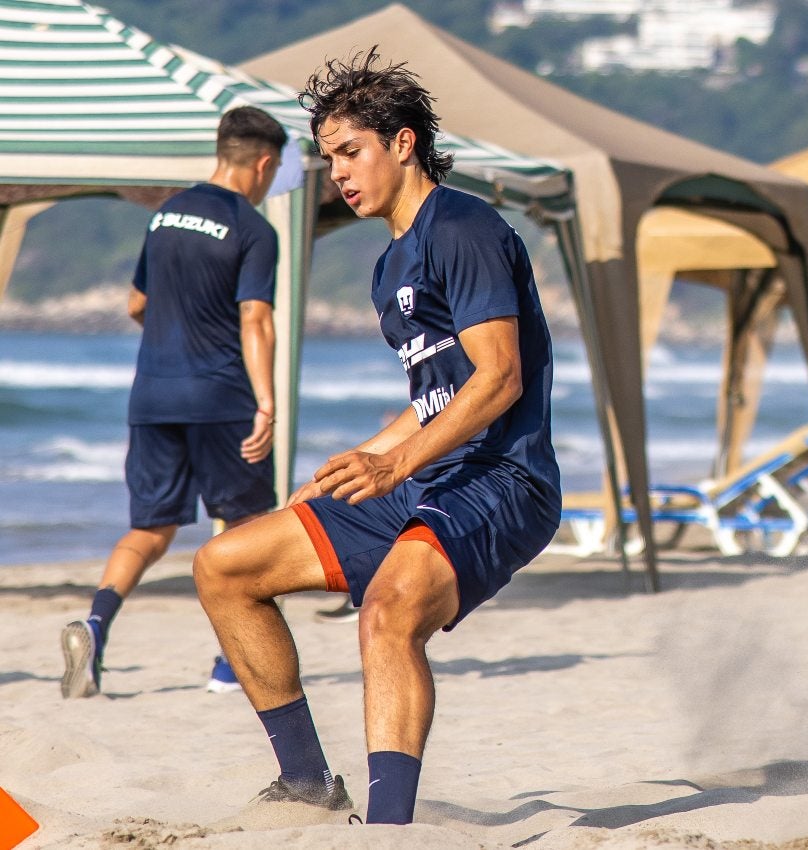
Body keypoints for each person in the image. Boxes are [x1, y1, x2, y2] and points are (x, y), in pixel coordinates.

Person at [192, 47, 561, 824]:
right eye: (328, 159)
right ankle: (305, 782)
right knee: (226, 566)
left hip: (503, 481)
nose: (340, 174)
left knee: (388, 613)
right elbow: (435, 394)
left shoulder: (462, 227)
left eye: (351, 152)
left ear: (403, 143)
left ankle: (389, 830)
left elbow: (498, 379)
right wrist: (367, 457)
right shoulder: (390, 260)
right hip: (430, 475)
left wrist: (395, 469)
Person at [60, 105, 286, 699]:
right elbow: (256, 320)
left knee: (150, 529)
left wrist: (174, 327)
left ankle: (95, 625)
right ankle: (229, 663)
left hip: (153, 394)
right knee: (247, 527)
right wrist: (265, 402)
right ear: (263, 164)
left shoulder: (165, 216)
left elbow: (137, 304)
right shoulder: (254, 229)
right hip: (221, 397)